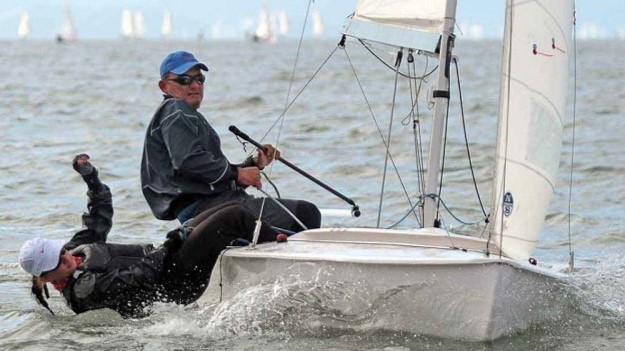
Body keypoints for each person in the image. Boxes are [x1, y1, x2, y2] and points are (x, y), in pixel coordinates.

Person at [19, 154, 278, 318]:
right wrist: (173, 241)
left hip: (167, 257)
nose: (64, 259)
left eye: (59, 252)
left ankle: (273, 239)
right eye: (55, 263)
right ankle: (280, 252)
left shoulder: (75, 250)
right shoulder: (85, 291)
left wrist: (92, 181)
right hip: (175, 283)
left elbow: (99, 215)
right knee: (234, 216)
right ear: (44, 278)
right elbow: (143, 276)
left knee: (225, 209)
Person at [140, 50, 321, 231]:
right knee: (306, 213)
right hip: (209, 208)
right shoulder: (176, 108)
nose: (195, 85)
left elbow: (205, 175)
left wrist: (254, 164)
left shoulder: (179, 114)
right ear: (164, 86)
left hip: (211, 206)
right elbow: (189, 162)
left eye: (200, 79)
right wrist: (238, 174)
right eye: (185, 80)